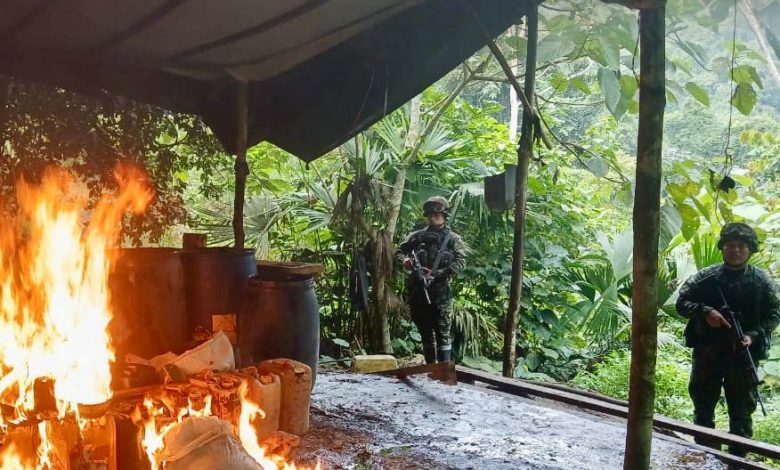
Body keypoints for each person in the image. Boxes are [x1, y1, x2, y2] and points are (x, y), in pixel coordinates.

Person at [676, 222, 780, 456]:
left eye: (742, 246)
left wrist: (752, 335)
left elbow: (774, 314)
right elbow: (682, 302)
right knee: (703, 407)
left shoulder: (761, 281)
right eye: (731, 245)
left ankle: (737, 460)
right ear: (722, 247)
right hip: (708, 352)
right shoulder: (706, 277)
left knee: (741, 412)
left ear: (750, 249)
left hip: (742, 354)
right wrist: (705, 312)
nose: (736, 250)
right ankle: (704, 455)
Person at [396, 196, 466, 364]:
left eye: (436, 214)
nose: (433, 217)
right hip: (419, 291)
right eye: (430, 214)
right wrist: (405, 261)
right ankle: (430, 370)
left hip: (440, 293)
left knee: (443, 333)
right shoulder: (417, 237)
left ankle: (443, 371)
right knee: (425, 332)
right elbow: (398, 251)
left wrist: (438, 273)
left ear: (445, 215)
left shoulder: (452, 239)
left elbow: (461, 261)